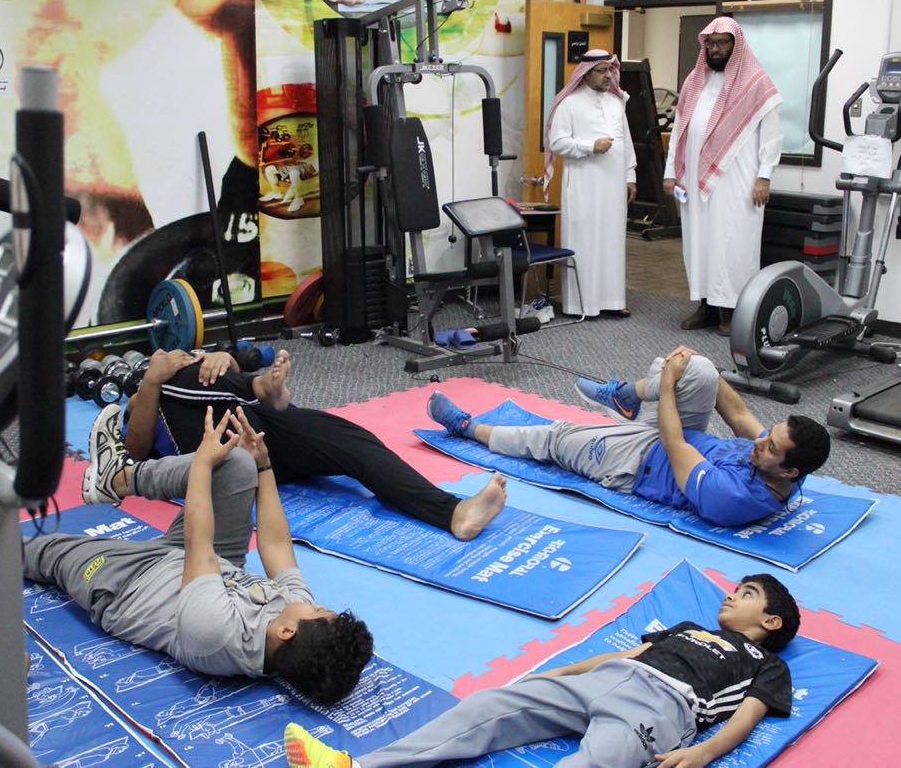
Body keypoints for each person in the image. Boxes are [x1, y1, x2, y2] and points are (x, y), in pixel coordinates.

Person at [25, 405, 374, 705]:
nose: (313, 603)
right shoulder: (292, 622)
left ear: (285, 632)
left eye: (315, 610)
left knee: (51, 553)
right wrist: (265, 467)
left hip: (130, 582)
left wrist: (202, 466)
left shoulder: (216, 636)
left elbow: (199, 544)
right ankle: (117, 478)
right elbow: (277, 546)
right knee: (238, 463)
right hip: (203, 563)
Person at [282, 572, 800, 767]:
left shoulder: (765, 663)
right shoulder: (688, 626)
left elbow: (747, 717)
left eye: (747, 594)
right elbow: (626, 656)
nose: (731, 594)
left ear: (770, 620)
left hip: (662, 710)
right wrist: (557, 676)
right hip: (612, 681)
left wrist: (703, 752)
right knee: (487, 705)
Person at [106, 348, 507, 541]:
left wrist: (223, 360)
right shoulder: (146, 397)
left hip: (263, 434)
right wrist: (152, 381)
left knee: (354, 441)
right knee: (181, 379)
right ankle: (259, 387)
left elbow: (214, 380)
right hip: (218, 457)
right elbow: (138, 451)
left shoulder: (191, 374)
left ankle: (453, 512)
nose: (172, 356)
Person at [425, 346, 831, 528]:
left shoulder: (734, 498)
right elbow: (739, 412)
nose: (761, 442)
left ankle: (467, 427)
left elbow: (674, 446)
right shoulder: (788, 466)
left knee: (554, 439)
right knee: (700, 369)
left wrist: (670, 384)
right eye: (769, 436)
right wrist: (698, 364)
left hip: (639, 463)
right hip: (679, 433)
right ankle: (625, 397)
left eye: (771, 447)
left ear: (790, 470)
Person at [664, 17, 782, 337]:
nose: (715, 50)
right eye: (711, 44)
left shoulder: (756, 82)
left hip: (738, 182)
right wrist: (671, 171)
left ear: (735, 45)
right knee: (699, 243)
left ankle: (732, 310)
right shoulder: (694, 81)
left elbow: (772, 136)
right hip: (694, 180)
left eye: (722, 43)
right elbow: (680, 130)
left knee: (732, 244)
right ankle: (705, 305)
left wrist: (764, 176)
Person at [543, 49, 637, 319]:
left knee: (612, 241)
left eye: (610, 70)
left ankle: (613, 300)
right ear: (586, 74)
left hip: (613, 184)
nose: (609, 75)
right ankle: (581, 304)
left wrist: (630, 176)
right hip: (584, 185)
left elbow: (626, 142)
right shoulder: (569, 104)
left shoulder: (617, 102)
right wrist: (589, 146)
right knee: (585, 241)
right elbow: (557, 142)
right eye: (602, 70)